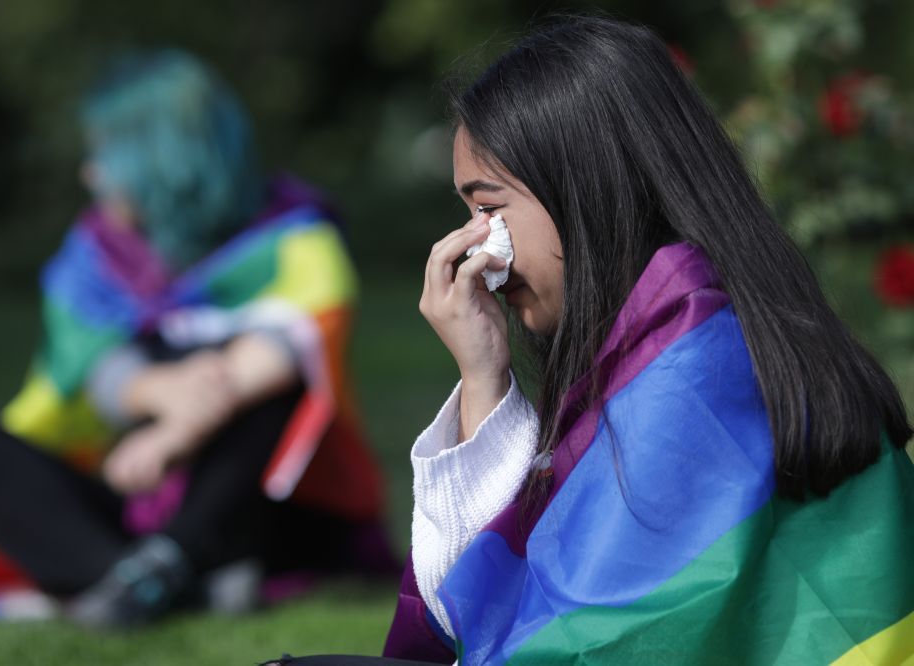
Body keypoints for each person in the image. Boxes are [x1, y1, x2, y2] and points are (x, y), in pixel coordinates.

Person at [383, 15, 914, 665]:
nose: (475, 248)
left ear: (587, 185)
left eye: (489, 208)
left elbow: (528, 638)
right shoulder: (679, 341)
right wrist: (484, 373)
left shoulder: (697, 372)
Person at [0, 49, 392, 627]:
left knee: (265, 385)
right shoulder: (92, 255)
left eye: (102, 153)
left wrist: (179, 426)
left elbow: (298, 337)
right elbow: (85, 364)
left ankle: (171, 561)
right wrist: (155, 389)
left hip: (253, 509)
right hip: (127, 486)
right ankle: (140, 578)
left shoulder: (292, 234)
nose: (89, 173)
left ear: (165, 157)